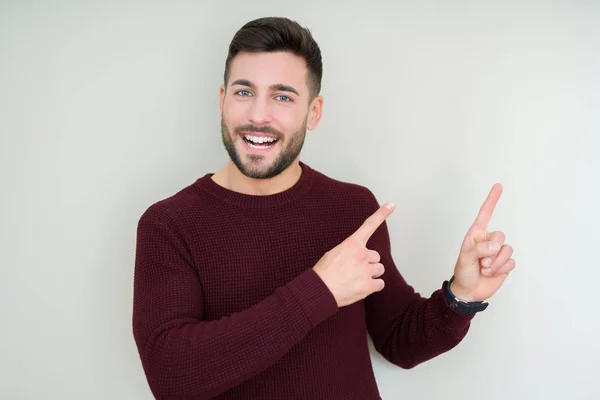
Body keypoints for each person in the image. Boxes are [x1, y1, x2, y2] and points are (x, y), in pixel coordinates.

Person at [132, 16, 516, 399]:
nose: (258, 115)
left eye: (282, 96)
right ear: (222, 100)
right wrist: (321, 289)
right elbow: (173, 375)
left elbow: (399, 340)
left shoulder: (352, 210)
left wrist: (462, 296)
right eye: (244, 92)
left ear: (313, 112)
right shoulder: (169, 224)